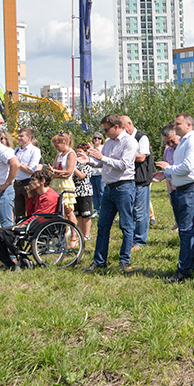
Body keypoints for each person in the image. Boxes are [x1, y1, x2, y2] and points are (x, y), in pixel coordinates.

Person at [80, 114, 139, 273]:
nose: (104, 133)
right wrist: (89, 160)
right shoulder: (109, 142)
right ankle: (99, 261)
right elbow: (101, 163)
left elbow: (123, 165)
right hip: (109, 188)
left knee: (126, 225)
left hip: (124, 187)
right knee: (102, 226)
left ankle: (124, 261)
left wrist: (102, 157)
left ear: (116, 127)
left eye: (106, 129)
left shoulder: (129, 142)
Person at [156, 113, 194, 282]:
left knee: (186, 230)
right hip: (184, 190)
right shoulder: (184, 142)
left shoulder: (193, 141)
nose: (175, 125)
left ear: (188, 125)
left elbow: (187, 167)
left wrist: (168, 169)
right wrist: (166, 172)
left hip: (191, 190)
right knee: (190, 229)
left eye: (178, 123)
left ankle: (183, 271)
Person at [0, 168, 59, 270]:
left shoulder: (49, 196)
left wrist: (22, 225)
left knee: (2, 233)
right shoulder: (40, 195)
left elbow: (39, 216)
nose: (30, 182)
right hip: (34, 223)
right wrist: (29, 196)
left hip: (40, 225)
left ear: (42, 181)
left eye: (33, 180)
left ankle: (16, 260)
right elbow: (31, 213)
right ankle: (12, 261)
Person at [122, 116, 154, 250]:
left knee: (140, 211)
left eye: (124, 127)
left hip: (141, 178)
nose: (123, 131)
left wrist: (124, 156)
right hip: (129, 179)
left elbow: (141, 157)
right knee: (131, 210)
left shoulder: (142, 137)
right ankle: (132, 239)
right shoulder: (124, 139)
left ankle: (140, 241)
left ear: (130, 123)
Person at [12, 127, 42, 221]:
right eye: (19, 136)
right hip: (17, 183)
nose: (19, 138)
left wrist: (18, 163)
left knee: (31, 210)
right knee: (18, 211)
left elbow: (31, 170)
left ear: (29, 137)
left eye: (21, 136)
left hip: (28, 183)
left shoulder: (34, 150)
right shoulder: (16, 150)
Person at [48, 132, 77, 222]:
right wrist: (53, 171)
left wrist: (55, 171)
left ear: (64, 142)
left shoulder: (71, 154)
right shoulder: (59, 155)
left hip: (66, 183)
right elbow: (52, 169)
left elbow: (68, 172)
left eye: (57, 146)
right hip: (57, 183)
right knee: (58, 210)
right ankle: (62, 230)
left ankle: (73, 234)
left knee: (68, 210)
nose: (57, 149)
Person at [72, 143, 96, 240]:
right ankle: (81, 234)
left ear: (86, 152)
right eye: (77, 152)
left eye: (81, 152)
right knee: (79, 215)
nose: (78, 154)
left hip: (85, 191)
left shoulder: (88, 164)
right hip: (76, 191)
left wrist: (73, 168)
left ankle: (87, 234)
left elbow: (82, 175)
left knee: (86, 214)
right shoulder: (75, 163)